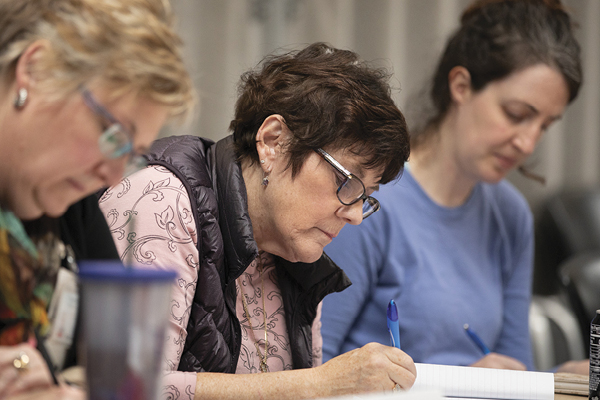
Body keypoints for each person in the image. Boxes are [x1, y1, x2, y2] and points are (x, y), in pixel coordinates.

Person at [98, 42, 416, 399]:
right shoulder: (159, 199)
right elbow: (123, 389)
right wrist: (320, 383)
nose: (356, 215)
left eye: (365, 195)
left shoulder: (295, 254)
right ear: (273, 142)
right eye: (347, 182)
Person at [321, 0, 587, 374]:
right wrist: (459, 384)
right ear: (461, 85)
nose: (528, 143)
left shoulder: (510, 215)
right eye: (516, 115)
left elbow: (513, 368)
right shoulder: (367, 202)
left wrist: (555, 384)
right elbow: (315, 374)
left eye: (544, 125)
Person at [0, 0, 193, 398]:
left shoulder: (67, 203)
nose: (112, 175)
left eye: (131, 153)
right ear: (35, 71)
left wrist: (63, 387)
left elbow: (122, 376)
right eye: (113, 136)